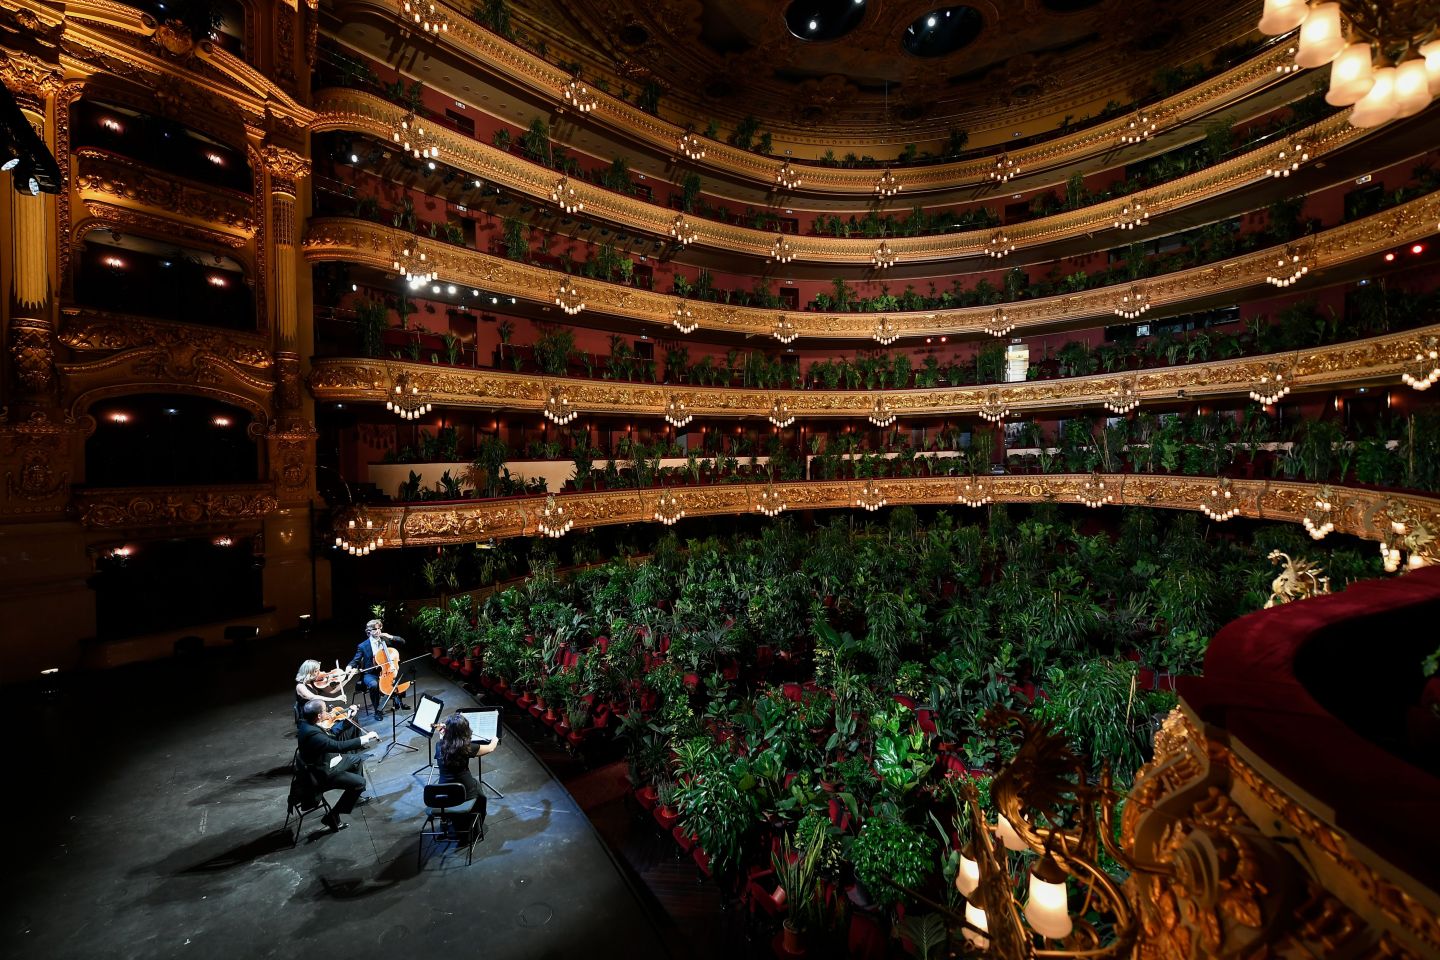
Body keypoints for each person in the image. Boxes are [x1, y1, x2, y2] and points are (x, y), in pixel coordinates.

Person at [296, 698, 379, 831]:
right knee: (360, 783)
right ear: (319, 716)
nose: (329, 712)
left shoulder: (307, 724)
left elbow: (331, 734)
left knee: (356, 760)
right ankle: (332, 817)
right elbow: (338, 745)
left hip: (324, 761)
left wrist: (348, 719)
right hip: (321, 774)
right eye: (325, 710)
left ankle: (355, 797)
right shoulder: (312, 734)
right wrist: (365, 738)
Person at [434, 713, 498, 839]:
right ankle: (475, 827)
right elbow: (490, 748)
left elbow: (445, 738)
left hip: (443, 791)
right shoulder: (466, 748)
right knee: (481, 796)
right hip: (464, 790)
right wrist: (495, 739)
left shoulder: (439, 745)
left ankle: (447, 820)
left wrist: (446, 730)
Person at [348, 619, 407, 720]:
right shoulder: (363, 646)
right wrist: (349, 667)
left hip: (387, 670)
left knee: (399, 677)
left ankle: (398, 702)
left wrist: (390, 636)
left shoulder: (385, 640)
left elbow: (402, 641)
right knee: (374, 685)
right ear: (369, 631)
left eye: (379, 628)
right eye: (375, 629)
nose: (378, 631)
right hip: (370, 673)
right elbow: (355, 660)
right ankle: (377, 710)